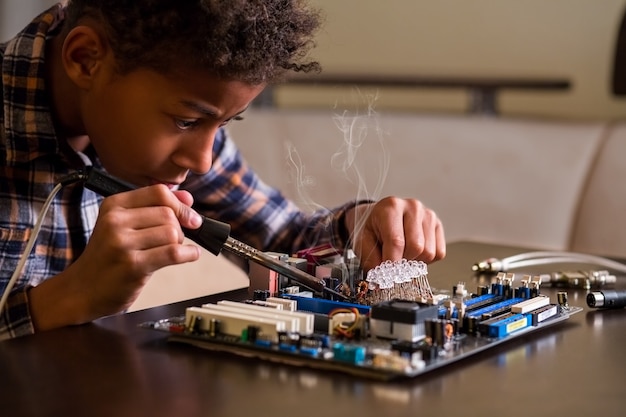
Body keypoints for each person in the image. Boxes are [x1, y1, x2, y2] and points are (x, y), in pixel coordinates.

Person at [0, 0, 445, 340]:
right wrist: (69, 299)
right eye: (186, 121)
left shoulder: (181, 123)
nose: (203, 161)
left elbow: (283, 239)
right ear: (85, 60)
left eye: (225, 123)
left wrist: (359, 226)